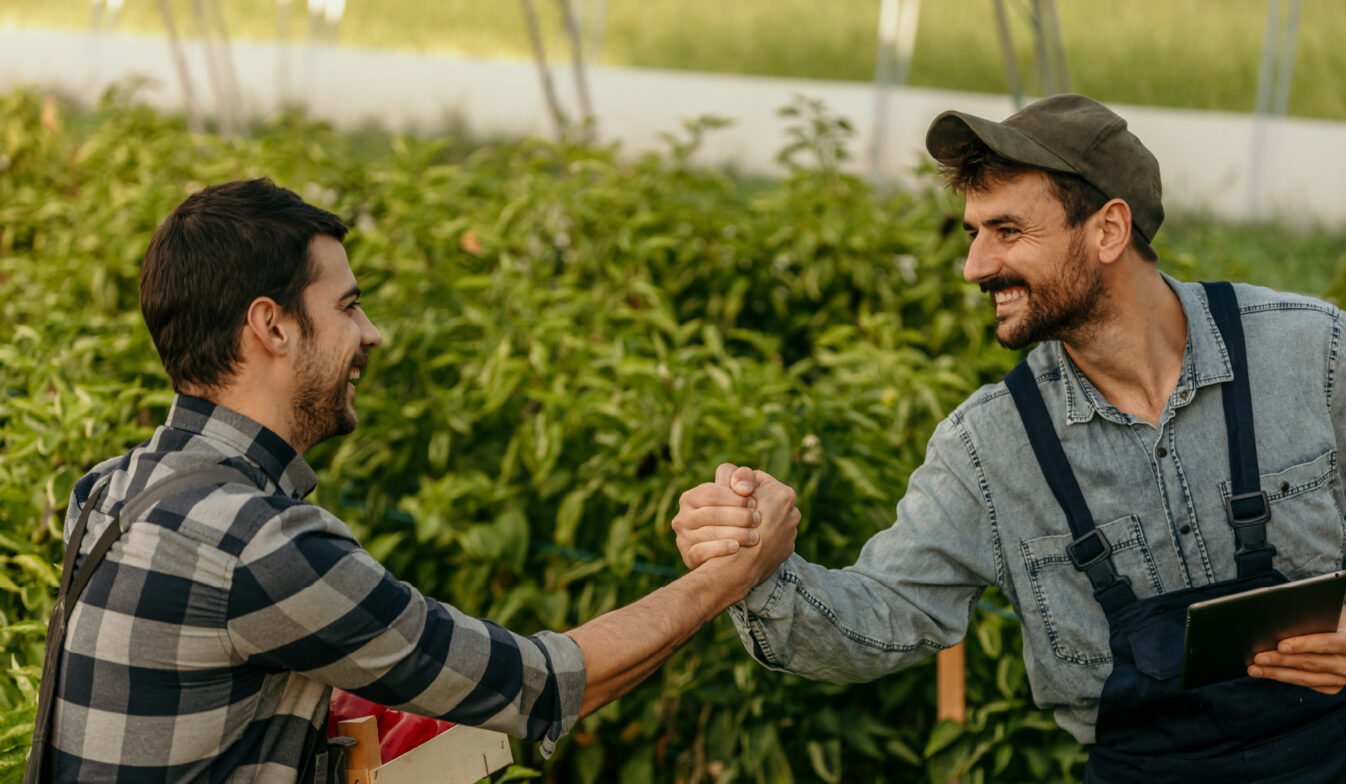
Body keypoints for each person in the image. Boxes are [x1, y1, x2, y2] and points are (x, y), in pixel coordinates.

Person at [673, 94, 1346, 782]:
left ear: (1109, 229)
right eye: (973, 232)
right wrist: (758, 569)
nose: (975, 265)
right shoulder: (990, 448)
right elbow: (884, 615)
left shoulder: (1306, 349)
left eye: (1007, 230)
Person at [30, 178, 800, 783]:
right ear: (272, 327)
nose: (371, 335)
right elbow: (539, 684)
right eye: (349, 306)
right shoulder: (262, 543)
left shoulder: (111, 490)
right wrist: (736, 573)